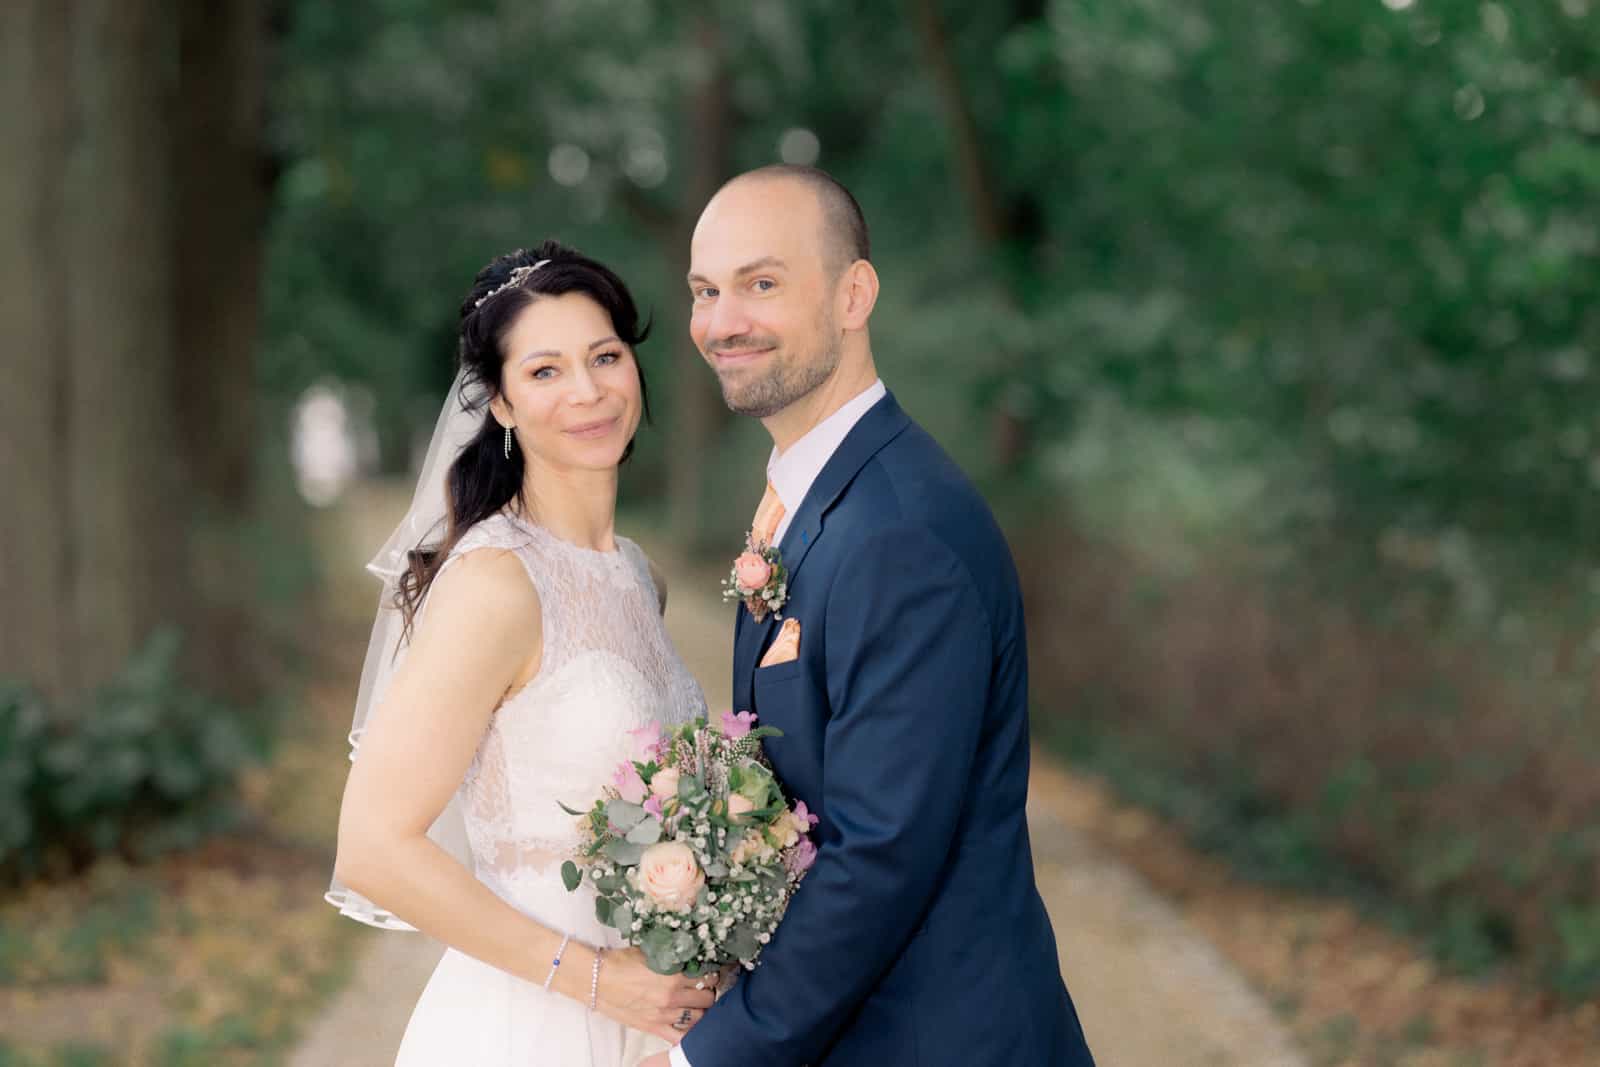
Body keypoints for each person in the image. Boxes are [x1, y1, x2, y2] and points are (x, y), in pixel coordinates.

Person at [642, 166, 1097, 1067]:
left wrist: (714, 1055)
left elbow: (879, 854)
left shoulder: (901, 533)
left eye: (761, 283)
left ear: (855, 294)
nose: (722, 321)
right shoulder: (815, 501)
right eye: (705, 290)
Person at [328, 242, 719, 1065]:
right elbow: (373, 847)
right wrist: (597, 982)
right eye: (545, 371)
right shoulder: (496, 584)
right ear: (500, 404)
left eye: (605, 356)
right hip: (531, 1020)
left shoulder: (637, 576)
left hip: (649, 1022)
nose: (587, 391)